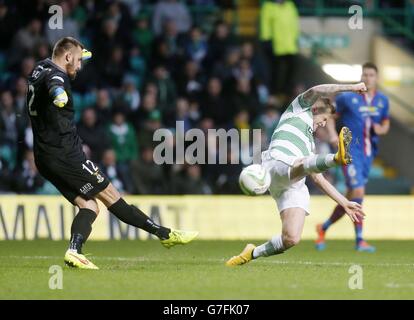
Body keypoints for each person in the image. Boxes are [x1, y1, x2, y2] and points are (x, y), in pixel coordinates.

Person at [26, 37, 198, 270]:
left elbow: (56, 68)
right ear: (66, 57)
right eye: (77, 61)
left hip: (44, 157)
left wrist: (81, 53)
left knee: (89, 207)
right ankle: (164, 234)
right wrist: (59, 95)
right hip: (66, 154)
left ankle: (74, 251)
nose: (79, 67)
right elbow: (55, 83)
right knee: (112, 197)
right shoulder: (58, 77)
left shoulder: (40, 67)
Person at [225, 82, 366, 266]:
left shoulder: (310, 145)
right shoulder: (299, 109)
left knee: (291, 238)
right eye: (324, 119)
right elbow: (317, 90)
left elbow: (317, 177)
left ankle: (251, 253)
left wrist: (344, 203)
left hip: (292, 183)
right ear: (316, 108)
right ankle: (335, 158)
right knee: (303, 163)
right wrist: (352, 87)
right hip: (277, 163)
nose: (323, 124)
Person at [315, 63, 390, 252]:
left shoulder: (382, 101)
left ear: (377, 78)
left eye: (371, 75)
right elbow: (330, 115)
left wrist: (381, 129)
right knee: (358, 192)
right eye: (365, 74)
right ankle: (360, 240)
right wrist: (332, 135)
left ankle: (323, 228)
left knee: (350, 198)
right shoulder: (348, 98)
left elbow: (385, 124)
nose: (367, 78)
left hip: (368, 154)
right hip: (350, 152)